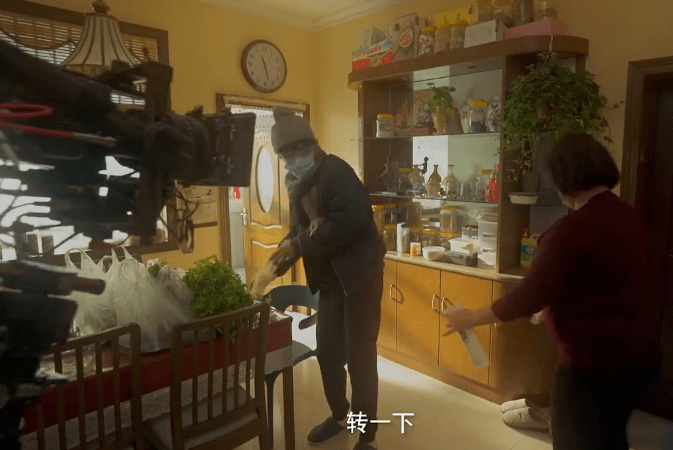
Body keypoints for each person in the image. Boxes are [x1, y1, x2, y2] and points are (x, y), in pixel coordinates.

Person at [445, 132, 661, 450]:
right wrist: (550, 308)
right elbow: (602, 284)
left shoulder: (570, 231)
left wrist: (470, 318)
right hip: (640, 362)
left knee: (578, 440)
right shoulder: (630, 217)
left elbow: (524, 298)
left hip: (592, 369)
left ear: (564, 179)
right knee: (609, 436)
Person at [266, 107, 386, 450]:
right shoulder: (296, 184)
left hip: (360, 280)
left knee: (360, 358)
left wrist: (298, 245)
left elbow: (346, 224)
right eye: (286, 153)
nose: (294, 158)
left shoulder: (337, 173)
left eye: (299, 149)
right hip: (331, 284)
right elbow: (298, 232)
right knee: (328, 354)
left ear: (313, 144)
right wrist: (280, 259)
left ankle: (367, 436)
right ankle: (339, 415)